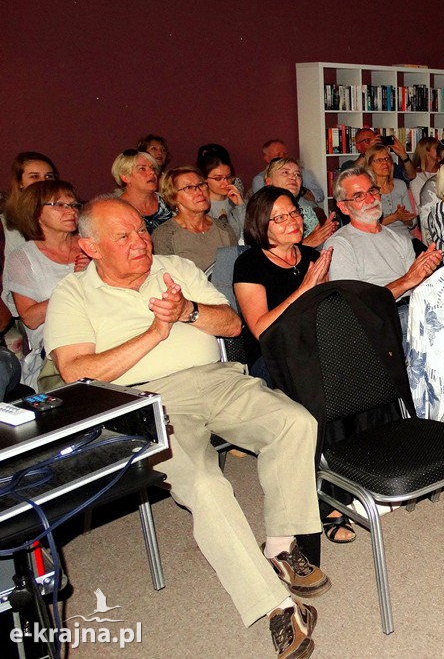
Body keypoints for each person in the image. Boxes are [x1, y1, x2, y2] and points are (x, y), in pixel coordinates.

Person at [44, 197, 329, 656]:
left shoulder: (174, 266)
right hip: (144, 403)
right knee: (204, 484)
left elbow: (232, 325)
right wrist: (154, 333)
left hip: (214, 381)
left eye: (141, 230)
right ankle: (275, 605)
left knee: (294, 422)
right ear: (90, 247)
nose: (141, 241)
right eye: (124, 236)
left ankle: (279, 545)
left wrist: (186, 313)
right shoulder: (73, 293)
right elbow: (76, 370)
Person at [325, 166, 443, 333]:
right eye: (359, 196)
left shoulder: (400, 239)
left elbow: (416, 288)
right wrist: (408, 280)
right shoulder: (339, 245)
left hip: (414, 313)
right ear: (344, 208)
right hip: (379, 322)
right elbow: (355, 305)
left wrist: (426, 272)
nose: (370, 199)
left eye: (372, 191)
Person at [233, 187, 333, 382]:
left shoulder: (312, 257)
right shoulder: (249, 263)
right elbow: (261, 331)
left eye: (294, 212)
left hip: (313, 346)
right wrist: (304, 288)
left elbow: (325, 313)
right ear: (261, 224)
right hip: (272, 356)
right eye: (279, 218)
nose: (292, 221)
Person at [4, 180, 90, 389]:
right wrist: (75, 282)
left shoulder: (91, 243)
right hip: (57, 347)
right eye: (59, 205)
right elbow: (31, 319)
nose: (70, 211)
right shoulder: (22, 258)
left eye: (73, 205)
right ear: (35, 212)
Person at [152, 166, 237, 272]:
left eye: (201, 185)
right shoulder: (165, 235)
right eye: (188, 188)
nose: (199, 192)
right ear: (173, 197)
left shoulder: (224, 228)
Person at [262, 158, 336, 247]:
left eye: (297, 174)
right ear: (269, 182)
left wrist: (328, 236)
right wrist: (307, 243)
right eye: (285, 172)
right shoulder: (260, 212)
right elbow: (261, 253)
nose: (294, 177)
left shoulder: (307, 213)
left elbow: (320, 249)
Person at [4, 152, 58, 260]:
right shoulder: (4, 223)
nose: (43, 181)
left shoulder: (69, 213)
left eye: (49, 176)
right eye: (34, 176)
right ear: (20, 183)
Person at [364, 143, 416, 242]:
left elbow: (412, 223)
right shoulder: (367, 190)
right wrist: (395, 216)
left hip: (404, 238)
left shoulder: (400, 185)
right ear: (370, 165)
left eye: (387, 159)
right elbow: (367, 226)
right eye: (379, 160)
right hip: (380, 240)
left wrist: (406, 218)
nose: (385, 163)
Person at [112, 149, 173, 233]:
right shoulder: (116, 211)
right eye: (142, 169)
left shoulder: (169, 201)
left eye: (153, 168)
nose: (152, 172)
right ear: (125, 177)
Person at [251, 140, 323, 203]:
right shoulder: (260, 179)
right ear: (267, 158)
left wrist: (300, 189)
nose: (283, 157)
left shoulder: (301, 172)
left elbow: (320, 196)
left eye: (285, 154)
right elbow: (264, 203)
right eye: (278, 155)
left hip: (308, 213)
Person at [198, 144, 245, 238]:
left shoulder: (235, 200)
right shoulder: (201, 205)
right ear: (205, 179)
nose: (226, 182)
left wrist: (241, 206)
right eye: (218, 178)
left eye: (228, 177)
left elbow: (248, 232)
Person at [409, 135, 441, 208]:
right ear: (427, 152)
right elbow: (421, 205)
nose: (441, 151)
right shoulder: (416, 177)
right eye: (437, 148)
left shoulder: (443, 170)